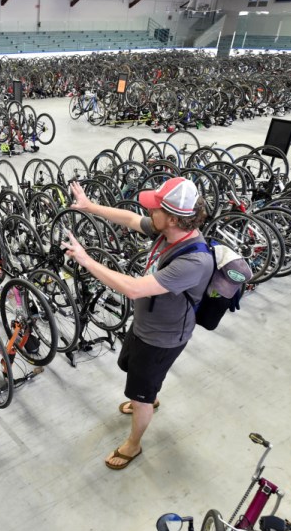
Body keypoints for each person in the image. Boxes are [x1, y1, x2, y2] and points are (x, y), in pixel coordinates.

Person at [61, 177, 214, 470]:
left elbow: (133, 288)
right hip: (146, 325)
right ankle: (148, 394)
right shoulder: (171, 231)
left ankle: (134, 442)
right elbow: (131, 218)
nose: (148, 213)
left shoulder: (194, 261)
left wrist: (86, 260)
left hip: (162, 339)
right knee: (134, 370)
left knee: (140, 394)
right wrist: (90, 206)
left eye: (155, 208)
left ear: (171, 218)